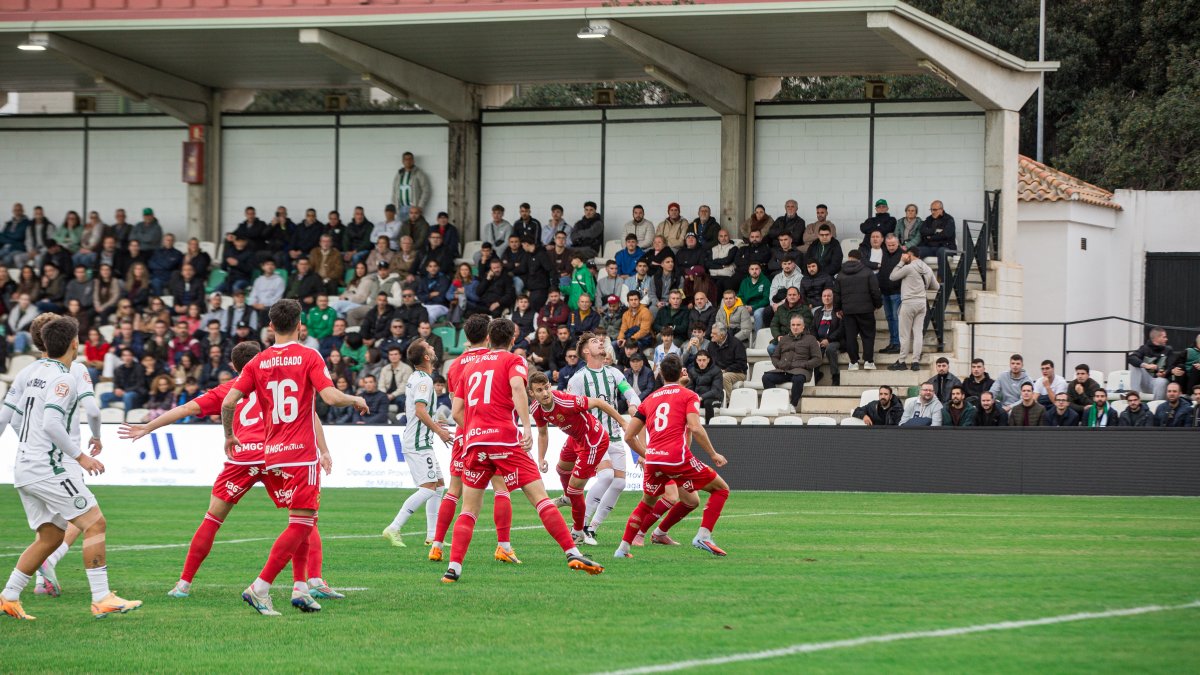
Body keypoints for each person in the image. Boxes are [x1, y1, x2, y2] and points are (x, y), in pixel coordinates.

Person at [120, 341, 341, 599]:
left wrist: (148, 427)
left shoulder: (228, 389)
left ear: (234, 366)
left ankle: (183, 584)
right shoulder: (274, 383)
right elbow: (309, 415)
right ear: (259, 360)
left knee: (212, 519)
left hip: (241, 458)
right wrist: (323, 450)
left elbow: (186, 408)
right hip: (275, 456)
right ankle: (309, 581)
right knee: (304, 519)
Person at [221, 300, 367, 615]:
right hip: (301, 452)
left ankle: (300, 589)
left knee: (304, 519)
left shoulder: (256, 362)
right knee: (302, 524)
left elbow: (229, 402)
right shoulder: (308, 355)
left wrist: (228, 435)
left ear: (271, 326)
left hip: (272, 453)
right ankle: (260, 587)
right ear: (301, 323)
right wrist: (354, 398)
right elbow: (328, 396)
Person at [0, 316, 142, 620]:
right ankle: (102, 597)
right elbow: (52, 422)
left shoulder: (28, 371)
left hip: (24, 467)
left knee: (50, 537)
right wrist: (81, 457)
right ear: (74, 344)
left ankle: (9, 596)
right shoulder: (65, 377)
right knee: (94, 522)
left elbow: (5, 418)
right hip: (48, 467)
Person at [442, 318, 604, 583]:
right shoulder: (513, 360)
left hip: (473, 443)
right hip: (505, 441)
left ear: (488, 338)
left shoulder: (468, 366)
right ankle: (572, 552)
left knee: (469, 509)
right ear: (512, 340)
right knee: (540, 498)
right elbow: (518, 387)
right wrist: (526, 427)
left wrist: (475, 430)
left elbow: (456, 411)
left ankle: (453, 568)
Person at [427, 315, 522, 564]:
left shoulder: (456, 364)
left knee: (453, 491)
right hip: (490, 433)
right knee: (501, 488)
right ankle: (504, 545)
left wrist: (468, 430)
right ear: (488, 336)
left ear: (467, 336)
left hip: (464, 434)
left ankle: (436, 545)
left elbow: (456, 403)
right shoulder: (493, 359)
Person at [615, 355, 730, 558]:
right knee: (721, 489)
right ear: (681, 371)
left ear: (659, 374)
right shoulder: (688, 396)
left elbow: (629, 436)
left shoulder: (649, 400)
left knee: (648, 503)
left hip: (654, 460)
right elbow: (695, 427)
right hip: (677, 458)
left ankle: (623, 549)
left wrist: (648, 454)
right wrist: (713, 454)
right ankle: (703, 536)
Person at [531, 371, 626, 541]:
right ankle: (567, 498)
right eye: (539, 390)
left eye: (546, 388)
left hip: (592, 440)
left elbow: (598, 402)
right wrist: (541, 457)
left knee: (576, 489)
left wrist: (623, 422)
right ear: (532, 393)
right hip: (575, 438)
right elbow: (542, 433)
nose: (545, 393)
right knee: (561, 469)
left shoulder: (565, 401)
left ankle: (577, 531)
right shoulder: (536, 410)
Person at [566, 333, 643, 541]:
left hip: (615, 436)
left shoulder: (613, 373)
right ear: (585, 351)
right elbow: (572, 410)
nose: (600, 343)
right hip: (594, 438)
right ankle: (578, 527)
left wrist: (633, 403)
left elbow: (629, 392)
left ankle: (591, 528)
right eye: (594, 342)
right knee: (607, 477)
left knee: (619, 483)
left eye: (601, 341)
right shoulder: (578, 378)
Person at [380, 340, 451, 547]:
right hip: (418, 442)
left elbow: (419, 411)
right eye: (429, 346)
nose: (432, 347)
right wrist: (438, 431)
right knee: (428, 488)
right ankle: (393, 528)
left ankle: (432, 536)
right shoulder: (424, 382)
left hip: (420, 440)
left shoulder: (417, 377)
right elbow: (420, 411)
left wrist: (435, 424)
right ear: (427, 357)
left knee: (438, 486)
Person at [887, 249, 938, 372]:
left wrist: (900, 262)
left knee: (904, 334)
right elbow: (936, 286)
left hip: (909, 303)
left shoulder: (909, 268)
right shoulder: (927, 268)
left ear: (910, 255)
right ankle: (915, 362)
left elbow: (892, 276)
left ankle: (902, 361)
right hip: (921, 303)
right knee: (918, 333)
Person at [762, 315, 822, 413]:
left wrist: (805, 365)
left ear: (803, 326)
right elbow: (775, 356)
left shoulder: (811, 339)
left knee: (798, 379)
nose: (795, 327)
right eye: (793, 325)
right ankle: (777, 403)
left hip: (800, 370)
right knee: (766, 377)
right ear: (790, 326)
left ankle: (792, 405)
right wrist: (779, 364)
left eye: (798, 325)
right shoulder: (784, 339)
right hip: (783, 370)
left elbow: (818, 359)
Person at [835, 250, 881, 371]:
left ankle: (854, 362)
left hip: (848, 311)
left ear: (849, 258)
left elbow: (837, 294)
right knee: (868, 336)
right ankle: (868, 361)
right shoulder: (868, 272)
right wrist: (877, 304)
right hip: (866, 310)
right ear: (860, 259)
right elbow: (875, 291)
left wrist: (838, 308)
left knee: (850, 337)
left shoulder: (840, 274)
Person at [1126, 327, 1173, 401]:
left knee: (1161, 381)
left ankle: (1156, 406)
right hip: (1146, 381)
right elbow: (1131, 358)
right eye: (1164, 337)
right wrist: (1146, 365)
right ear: (1156, 338)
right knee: (1136, 366)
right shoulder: (1144, 348)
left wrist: (1165, 373)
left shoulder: (1168, 350)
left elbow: (1171, 366)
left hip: (1159, 381)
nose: (1166, 339)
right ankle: (1134, 396)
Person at [810, 288, 843, 385]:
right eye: (824, 296)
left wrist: (828, 340)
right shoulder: (818, 311)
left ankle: (835, 375)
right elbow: (813, 328)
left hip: (835, 340)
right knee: (815, 349)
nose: (827, 298)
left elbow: (841, 329)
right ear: (822, 298)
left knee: (830, 349)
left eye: (829, 296)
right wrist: (815, 340)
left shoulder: (838, 311)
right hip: (819, 340)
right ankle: (816, 374)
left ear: (833, 297)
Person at [709, 322, 748, 401]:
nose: (711, 335)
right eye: (711, 333)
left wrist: (726, 370)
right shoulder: (711, 344)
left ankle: (728, 402)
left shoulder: (736, 344)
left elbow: (741, 363)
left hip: (738, 372)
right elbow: (710, 362)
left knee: (724, 377)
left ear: (722, 335)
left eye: (714, 333)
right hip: (719, 371)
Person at [687, 350, 723, 422]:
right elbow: (689, 388)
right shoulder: (692, 371)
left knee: (707, 402)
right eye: (699, 360)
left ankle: (708, 426)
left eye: (704, 360)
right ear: (696, 360)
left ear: (708, 360)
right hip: (698, 398)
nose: (702, 363)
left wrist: (701, 397)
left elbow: (715, 391)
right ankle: (690, 425)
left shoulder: (717, 371)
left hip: (714, 399)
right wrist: (695, 397)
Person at [738, 262, 770, 332]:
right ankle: (741, 335)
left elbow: (766, 299)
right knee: (736, 311)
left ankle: (757, 337)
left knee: (757, 314)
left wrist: (753, 307)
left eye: (756, 269)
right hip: (746, 306)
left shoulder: (765, 281)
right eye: (752, 269)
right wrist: (744, 306)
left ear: (760, 270)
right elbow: (740, 296)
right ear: (749, 271)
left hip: (760, 307)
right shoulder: (745, 282)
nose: (754, 271)